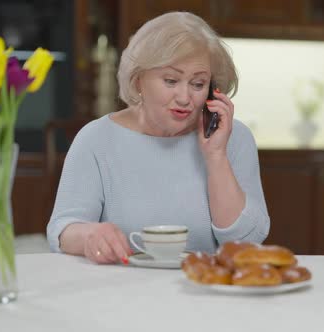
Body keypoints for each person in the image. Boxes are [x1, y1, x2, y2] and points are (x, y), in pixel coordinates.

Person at [46, 12, 270, 264]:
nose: (185, 97)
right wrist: (89, 235)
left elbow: (247, 241)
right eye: (171, 80)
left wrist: (216, 156)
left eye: (197, 84)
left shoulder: (233, 137)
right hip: (120, 292)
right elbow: (62, 230)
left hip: (208, 290)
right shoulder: (96, 139)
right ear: (138, 79)